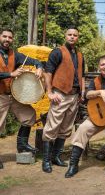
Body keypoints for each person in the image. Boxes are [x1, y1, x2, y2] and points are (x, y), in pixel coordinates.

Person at [42, 25, 85, 173]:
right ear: (65, 36)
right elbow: (48, 73)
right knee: (52, 127)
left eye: (75, 35)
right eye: (70, 34)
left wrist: (82, 92)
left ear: (78, 37)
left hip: (74, 96)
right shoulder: (57, 52)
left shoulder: (80, 54)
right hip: (59, 94)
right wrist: (49, 92)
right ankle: (46, 161)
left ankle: (55, 157)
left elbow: (82, 75)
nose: (72, 37)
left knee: (66, 128)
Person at [0, 29, 43, 169]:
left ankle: (22, 144)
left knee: (29, 115)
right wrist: (10, 74)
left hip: (13, 96)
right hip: (0, 96)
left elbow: (35, 61)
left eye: (10, 37)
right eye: (4, 36)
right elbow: (10, 74)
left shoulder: (16, 55)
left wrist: (39, 67)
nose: (7, 39)